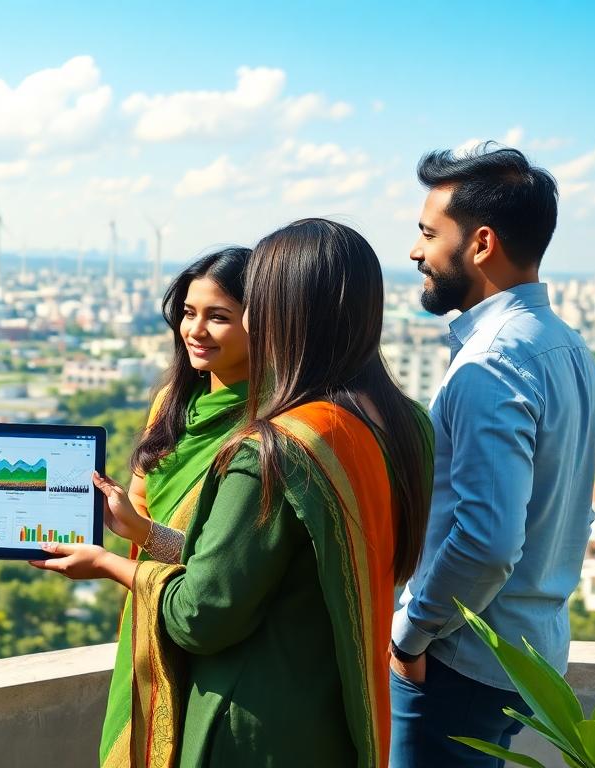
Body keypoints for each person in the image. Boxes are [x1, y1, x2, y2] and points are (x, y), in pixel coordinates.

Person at [34, 219, 434, 768]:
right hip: (340, 704)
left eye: (258, 302)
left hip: (247, 719)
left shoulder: (277, 449)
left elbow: (201, 615)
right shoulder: (404, 424)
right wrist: (147, 533)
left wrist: (109, 564)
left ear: (290, 312)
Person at [389, 145, 595, 766]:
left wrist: (411, 634)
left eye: (429, 234)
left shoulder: (491, 363)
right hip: (526, 653)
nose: (416, 252)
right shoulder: (566, 348)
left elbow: (486, 540)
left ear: (480, 244)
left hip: (458, 657)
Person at [94, 247, 253, 765]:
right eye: (188, 313)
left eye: (218, 317)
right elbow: (141, 504)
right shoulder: (173, 402)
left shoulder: (270, 429)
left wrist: (132, 544)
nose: (196, 331)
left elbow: (227, 568)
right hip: (149, 609)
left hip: (218, 633)